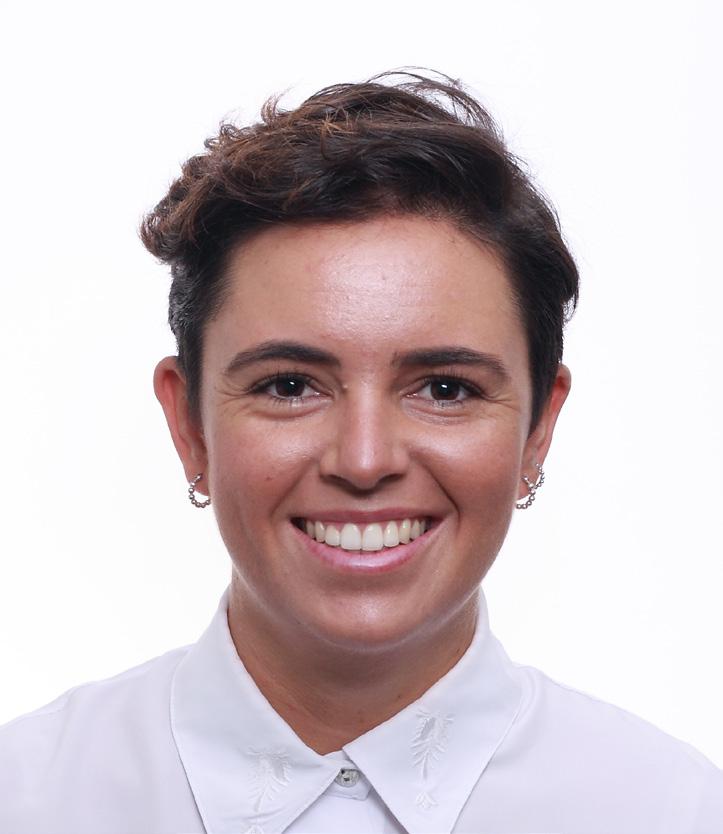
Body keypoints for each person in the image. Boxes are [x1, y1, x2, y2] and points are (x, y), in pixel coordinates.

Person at [1, 71, 720, 834]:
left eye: (444, 389)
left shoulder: (672, 812)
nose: (365, 460)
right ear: (189, 426)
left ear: (538, 428)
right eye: (288, 386)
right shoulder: (27, 799)